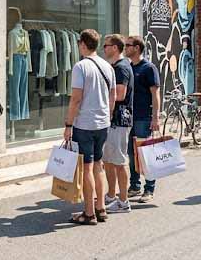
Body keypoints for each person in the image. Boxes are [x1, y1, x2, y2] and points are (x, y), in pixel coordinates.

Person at [63, 29, 116, 225]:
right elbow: (113, 97)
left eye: (79, 44)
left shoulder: (80, 67)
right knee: (98, 166)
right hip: (102, 123)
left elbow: (76, 99)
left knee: (86, 168)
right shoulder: (107, 66)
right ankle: (101, 208)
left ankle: (89, 212)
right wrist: (107, 115)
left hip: (84, 123)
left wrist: (68, 124)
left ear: (83, 44)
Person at [125, 35, 162, 203]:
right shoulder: (128, 68)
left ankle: (149, 189)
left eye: (128, 45)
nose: (125, 48)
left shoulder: (148, 68)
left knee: (145, 153)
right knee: (132, 154)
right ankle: (134, 186)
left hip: (143, 117)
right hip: (129, 118)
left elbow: (155, 95)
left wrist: (155, 117)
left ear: (137, 48)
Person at [100, 34, 133, 214]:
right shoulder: (114, 67)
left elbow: (120, 95)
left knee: (119, 161)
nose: (104, 49)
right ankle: (111, 195)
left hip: (120, 119)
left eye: (106, 46)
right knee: (109, 160)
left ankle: (123, 200)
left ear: (114, 47)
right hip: (112, 119)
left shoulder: (121, 68)